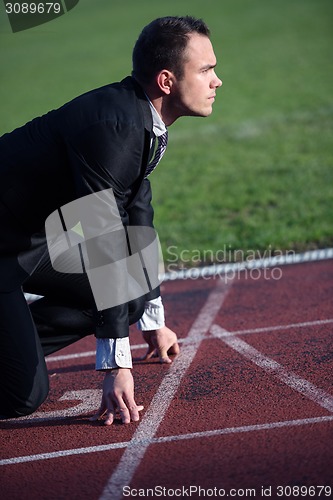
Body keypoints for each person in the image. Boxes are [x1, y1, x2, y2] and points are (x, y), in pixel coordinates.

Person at [0, 16, 222, 425]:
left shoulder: (141, 119)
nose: (217, 81)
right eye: (206, 69)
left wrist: (153, 319)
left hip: (25, 240)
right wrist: (117, 365)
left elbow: (137, 217)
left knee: (131, 292)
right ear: (167, 81)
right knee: (21, 395)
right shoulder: (115, 127)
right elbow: (105, 239)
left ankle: (12, 345)